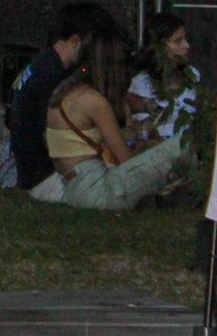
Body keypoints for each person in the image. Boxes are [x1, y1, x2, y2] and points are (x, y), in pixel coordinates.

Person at [30, 27, 185, 210]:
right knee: (182, 144)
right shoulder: (94, 101)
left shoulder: (62, 94)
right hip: (99, 192)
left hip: (73, 189)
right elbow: (127, 163)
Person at [4, 2, 124, 191]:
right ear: (76, 41)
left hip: (29, 170)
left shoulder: (42, 64)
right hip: (44, 175)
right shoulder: (53, 78)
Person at [127, 13, 200, 143]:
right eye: (178, 41)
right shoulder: (142, 81)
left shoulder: (192, 75)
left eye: (185, 39)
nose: (186, 45)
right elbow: (143, 131)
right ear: (159, 45)